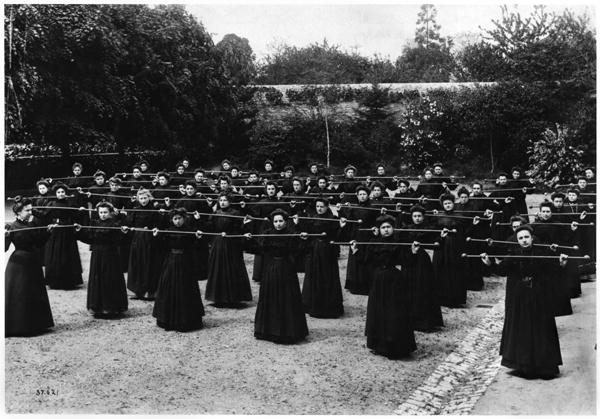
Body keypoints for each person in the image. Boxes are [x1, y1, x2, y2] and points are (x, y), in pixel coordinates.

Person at [481, 225, 567, 379]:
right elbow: (502, 270)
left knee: (542, 328)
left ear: (532, 238)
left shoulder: (542, 252)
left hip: (539, 296)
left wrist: (561, 263)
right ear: (517, 240)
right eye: (520, 238)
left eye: (526, 237)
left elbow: (552, 269)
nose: (524, 240)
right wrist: (490, 264)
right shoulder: (513, 254)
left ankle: (545, 366)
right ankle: (524, 366)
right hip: (520, 298)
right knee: (522, 329)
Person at [350, 214, 418, 359]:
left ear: (393, 228)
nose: (386, 230)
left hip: (395, 280)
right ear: (379, 229)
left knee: (395, 311)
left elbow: (406, 261)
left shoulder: (399, 243)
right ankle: (379, 344)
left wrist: (413, 252)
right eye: (383, 228)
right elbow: (365, 261)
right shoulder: (373, 243)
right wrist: (356, 252)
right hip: (378, 280)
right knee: (379, 310)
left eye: (388, 227)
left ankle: (396, 345)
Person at [247, 209, 308, 344]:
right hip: (270, 270)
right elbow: (258, 250)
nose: (278, 224)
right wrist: (249, 238)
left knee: (286, 298)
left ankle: (288, 331)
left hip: (287, 270)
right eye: (275, 221)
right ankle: (270, 330)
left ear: (286, 222)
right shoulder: (267, 234)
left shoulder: (291, 234)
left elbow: (299, 252)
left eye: (281, 221)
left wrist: (302, 240)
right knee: (271, 297)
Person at [5, 198, 55, 337]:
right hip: (19, 263)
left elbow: (38, 243)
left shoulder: (32, 224)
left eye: (30, 209)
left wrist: (47, 232)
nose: (30, 212)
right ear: (18, 212)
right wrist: (5, 237)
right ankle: (20, 326)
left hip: (33, 261)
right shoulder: (11, 226)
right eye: (27, 210)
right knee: (21, 293)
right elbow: (3, 248)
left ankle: (36, 324)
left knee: (34, 291)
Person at [152, 208, 205, 332]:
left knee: (185, 288)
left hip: (185, 262)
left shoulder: (190, 231)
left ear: (184, 218)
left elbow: (196, 248)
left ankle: (187, 320)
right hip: (170, 262)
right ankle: (168, 319)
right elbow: (160, 247)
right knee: (168, 287)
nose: (177, 221)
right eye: (175, 219)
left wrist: (198, 238)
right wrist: (156, 236)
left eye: (179, 218)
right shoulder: (167, 231)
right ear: (171, 220)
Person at [74, 202, 128, 318]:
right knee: (97, 280)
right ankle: (98, 307)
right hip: (97, 256)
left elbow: (120, 240)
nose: (103, 215)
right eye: (101, 212)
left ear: (110, 213)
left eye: (105, 212)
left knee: (110, 280)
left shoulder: (115, 224)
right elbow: (89, 238)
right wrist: (80, 231)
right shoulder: (94, 224)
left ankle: (111, 308)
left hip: (110, 256)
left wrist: (123, 233)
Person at [397, 205, 444, 332]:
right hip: (409, 260)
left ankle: (424, 321)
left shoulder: (430, 229)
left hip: (422, 262)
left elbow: (438, 244)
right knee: (408, 287)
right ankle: (410, 320)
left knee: (423, 287)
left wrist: (440, 239)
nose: (417, 218)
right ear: (411, 217)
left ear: (423, 217)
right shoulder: (406, 229)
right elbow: (400, 243)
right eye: (415, 216)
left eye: (419, 216)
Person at [201, 194, 253, 307]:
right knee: (218, 268)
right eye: (221, 200)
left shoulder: (236, 213)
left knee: (232, 267)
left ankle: (234, 297)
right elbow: (210, 227)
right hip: (218, 244)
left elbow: (239, 229)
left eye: (225, 200)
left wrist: (230, 234)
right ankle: (218, 297)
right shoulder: (215, 213)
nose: (223, 202)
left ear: (230, 202)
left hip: (231, 244)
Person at [298, 198, 345, 318]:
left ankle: (328, 307)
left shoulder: (332, 219)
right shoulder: (312, 218)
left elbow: (337, 237)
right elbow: (307, 234)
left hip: (327, 251)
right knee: (314, 275)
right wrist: (302, 231)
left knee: (327, 276)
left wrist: (341, 227)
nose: (319, 209)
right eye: (317, 206)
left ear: (327, 206)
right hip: (314, 250)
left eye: (322, 206)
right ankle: (312, 304)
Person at [122, 188, 164, 300]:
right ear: (138, 199)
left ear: (149, 198)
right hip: (137, 240)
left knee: (149, 264)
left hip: (150, 241)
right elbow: (129, 223)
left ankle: (151, 292)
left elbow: (158, 224)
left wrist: (152, 228)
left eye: (145, 198)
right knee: (137, 264)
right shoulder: (135, 209)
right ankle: (138, 291)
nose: (143, 200)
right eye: (141, 198)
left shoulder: (154, 210)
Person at [44, 183, 84, 289]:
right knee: (56, 253)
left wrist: (80, 211)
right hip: (56, 231)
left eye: (62, 192)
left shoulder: (70, 203)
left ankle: (69, 281)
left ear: (65, 193)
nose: (61, 194)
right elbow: (44, 215)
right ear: (55, 194)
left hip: (68, 232)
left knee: (68, 253)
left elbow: (75, 216)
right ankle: (55, 281)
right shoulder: (51, 204)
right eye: (58, 192)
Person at [340, 185, 379, 295]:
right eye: (360, 194)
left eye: (364, 194)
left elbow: (376, 223)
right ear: (357, 196)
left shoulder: (373, 208)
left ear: (368, 195)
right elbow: (350, 224)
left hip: (368, 237)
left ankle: (366, 286)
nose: (362, 196)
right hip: (356, 236)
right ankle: (355, 285)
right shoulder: (354, 209)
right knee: (355, 261)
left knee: (367, 260)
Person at [432, 193, 468, 307]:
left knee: (454, 270)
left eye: (450, 203)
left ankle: (455, 298)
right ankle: (442, 297)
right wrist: (440, 237)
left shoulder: (460, 216)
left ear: (453, 203)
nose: (448, 205)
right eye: (445, 204)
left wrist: (456, 234)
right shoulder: (438, 217)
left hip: (455, 247)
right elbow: (434, 233)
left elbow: (465, 233)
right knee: (441, 269)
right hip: (442, 248)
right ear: (443, 205)